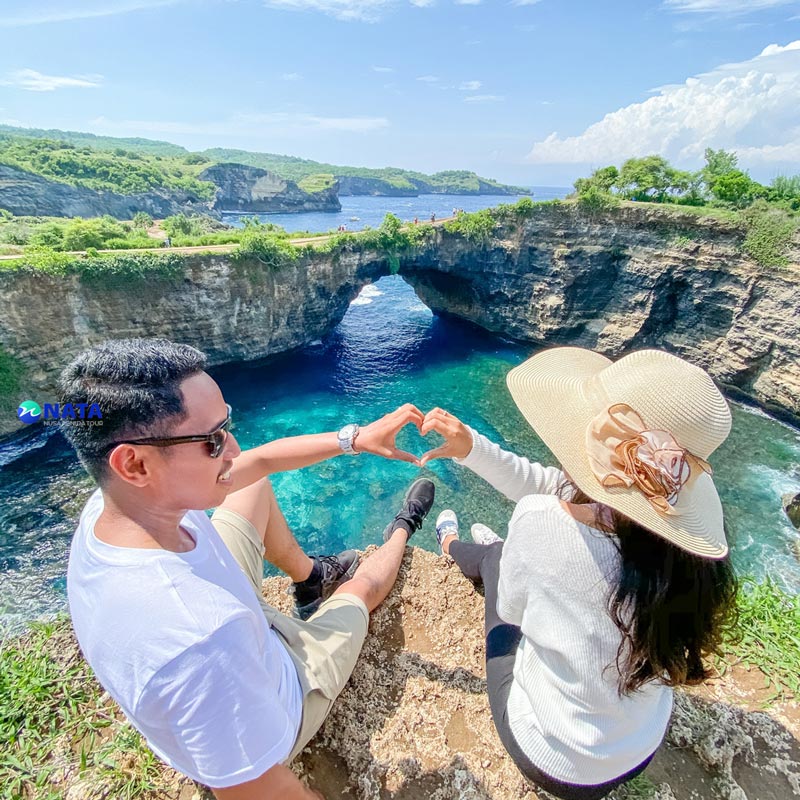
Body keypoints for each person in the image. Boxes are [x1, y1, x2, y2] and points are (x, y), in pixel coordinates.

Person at [61, 338, 436, 799]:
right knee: (360, 590)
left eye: (228, 425)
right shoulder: (201, 639)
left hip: (232, 614)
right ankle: (403, 527)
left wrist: (356, 438)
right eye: (214, 439)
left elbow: (259, 461)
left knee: (252, 485)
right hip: (280, 686)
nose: (233, 448)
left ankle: (310, 578)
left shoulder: (120, 504)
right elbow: (258, 791)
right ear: (135, 463)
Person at [419, 347, 737, 800]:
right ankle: (485, 548)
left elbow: (512, 610)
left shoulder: (540, 519)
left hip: (551, 759)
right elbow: (569, 493)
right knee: (519, 552)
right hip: (638, 749)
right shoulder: (684, 552)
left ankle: (454, 545)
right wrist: (475, 449)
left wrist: (524, 557)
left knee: (496, 564)